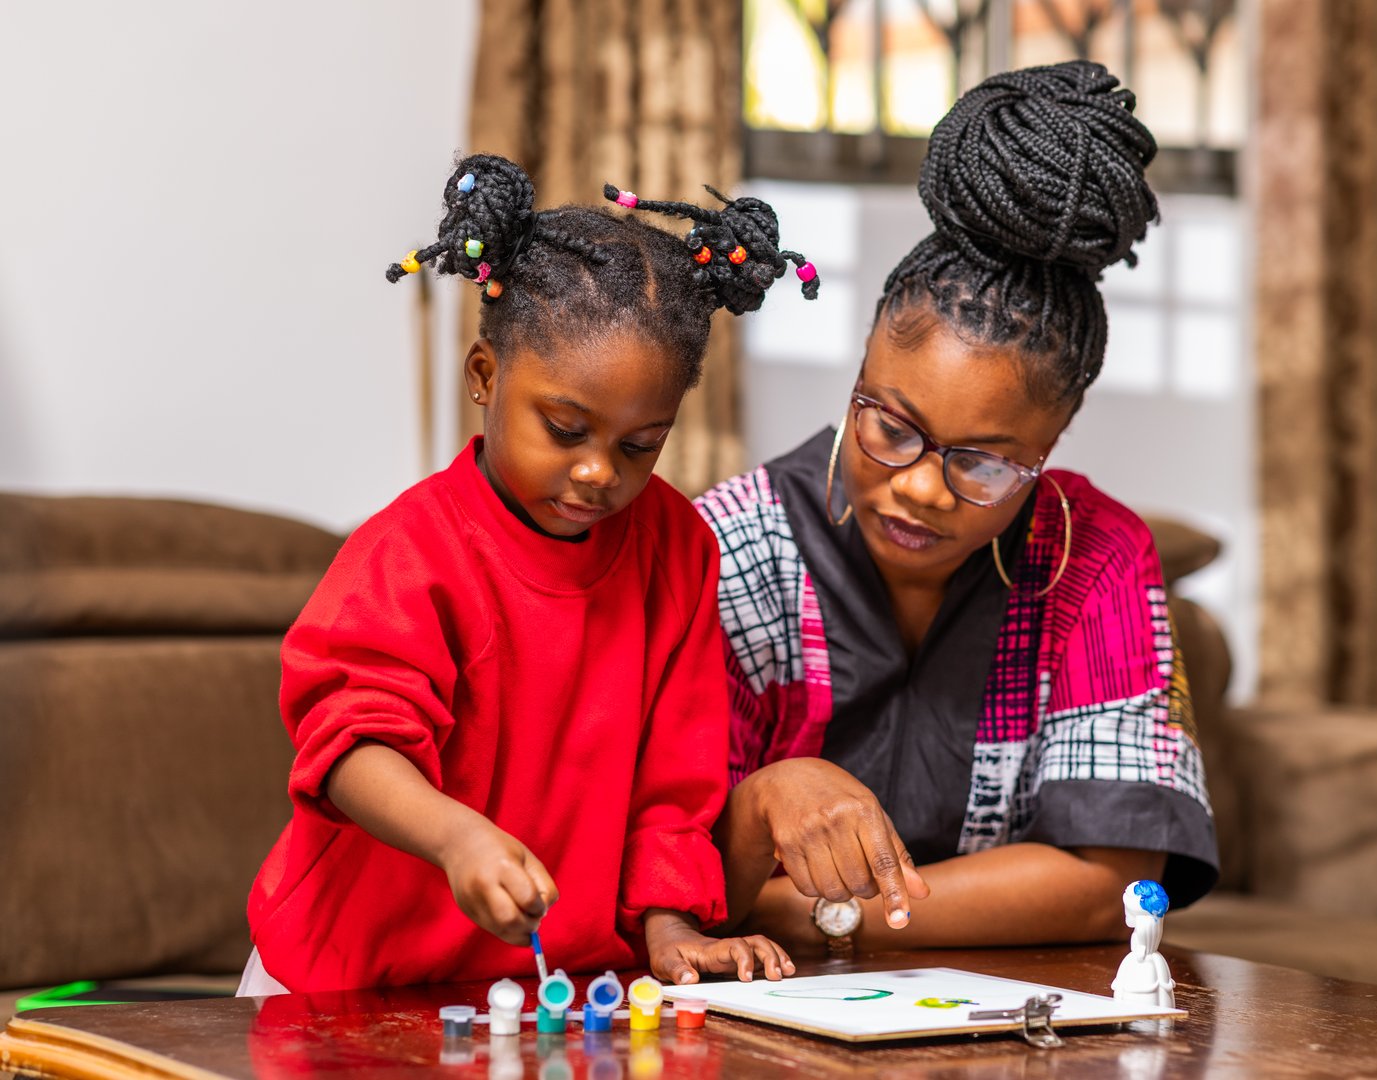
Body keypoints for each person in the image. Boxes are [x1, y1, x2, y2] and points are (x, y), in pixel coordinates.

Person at [242, 155, 817, 993]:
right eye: (564, 428)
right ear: (485, 376)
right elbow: (349, 742)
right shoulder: (410, 549)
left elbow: (675, 779)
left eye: (638, 446)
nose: (597, 472)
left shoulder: (677, 549)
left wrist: (670, 925)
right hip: (349, 979)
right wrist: (453, 836)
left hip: (554, 985)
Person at [697, 62, 1218, 954]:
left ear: (1047, 450)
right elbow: (669, 862)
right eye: (891, 427)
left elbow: (1112, 886)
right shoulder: (729, 546)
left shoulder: (1093, 559)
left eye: (982, 462)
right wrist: (768, 801)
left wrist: (812, 912)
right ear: (858, 374)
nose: (922, 487)